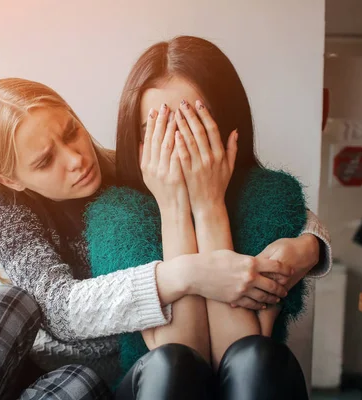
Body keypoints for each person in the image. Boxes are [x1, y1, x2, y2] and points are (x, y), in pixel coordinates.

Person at [0, 75, 329, 399]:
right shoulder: (5, 203)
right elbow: (61, 309)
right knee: (6, 300)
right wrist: (187, 274)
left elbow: (268, 208)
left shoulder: (133, 171)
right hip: (31, 362)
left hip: (101, 377)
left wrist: (311, 245)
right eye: (46, 161)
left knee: (79, 384)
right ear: (11, 178)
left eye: (71, 131)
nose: (77, 159)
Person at [87, 36, 332, 399]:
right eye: (155, 130)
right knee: (171, 364)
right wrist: (174, 208)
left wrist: (208, 205)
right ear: (137, 143)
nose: (177, 145)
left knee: (255, 357)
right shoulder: (117, 213)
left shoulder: (271, 195)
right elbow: (180, 350)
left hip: (252, 375)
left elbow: (243, 347)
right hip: (153, 384)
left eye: (192, 124)